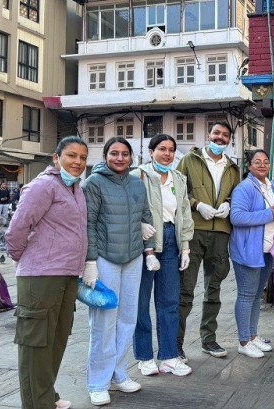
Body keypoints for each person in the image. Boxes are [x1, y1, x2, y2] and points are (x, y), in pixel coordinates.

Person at [5, 136, 89, 409]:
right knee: (36, 342)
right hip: (40, 275)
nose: (77, 162)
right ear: (56, 158)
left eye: (82, 158)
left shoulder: (76, 188)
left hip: (67, 273)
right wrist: (24, 259)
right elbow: (17, 228)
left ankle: (46, 395)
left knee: (56, 338)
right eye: (71, 156)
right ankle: (35, 403)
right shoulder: (43, 186)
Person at [82, 137, 158, 406]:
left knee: (127, 318)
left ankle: (119, 373)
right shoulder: (94, 183)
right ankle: (98, 382)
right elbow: (88, 223)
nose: (120, 158)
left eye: (125, 154)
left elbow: (146, 217)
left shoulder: (137, 183)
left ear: (131, 157)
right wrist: (90, 261)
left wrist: (149, 250)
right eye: (114, 153)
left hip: (133, 257)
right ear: (105, 156)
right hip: (105, 258)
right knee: (104, 321)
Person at [175, 121, 240, 360]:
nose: (220, 138)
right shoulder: (189, 160)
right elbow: (178, 190)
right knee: (186, 289)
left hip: (220, 232)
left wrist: (228, 205)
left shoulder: (233, 168)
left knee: (214, 289)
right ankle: (176, 343)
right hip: (193, 231)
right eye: (216, 133)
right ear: (208, 135)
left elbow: (236, 194)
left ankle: (208, 339)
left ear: (229, 140)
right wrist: (197, 204)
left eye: (225, 135)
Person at [132, 134, 194, 377]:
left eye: (170, 150)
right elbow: (131, 207)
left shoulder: (179, 178)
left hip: (171, 241)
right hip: (145, 241)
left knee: (169, 301)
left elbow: (185, 212)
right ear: (150, 151)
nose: (166, 154)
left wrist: (185, 245)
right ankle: (144, 356)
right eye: (161, 149)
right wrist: (140, 228)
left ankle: (169, 356)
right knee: (141, 302)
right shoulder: (139, 176)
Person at [229, 150, 274, 358]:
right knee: (246, 295)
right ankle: (243, 341)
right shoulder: (244, 188)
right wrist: (269, 213)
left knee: (255, 295)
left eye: (266, 162)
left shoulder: (268, 186)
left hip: (266, 249)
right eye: (257, 162)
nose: (262, 165)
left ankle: (252, 336)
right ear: (249, 166)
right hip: (248, 249)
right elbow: (237, 217)